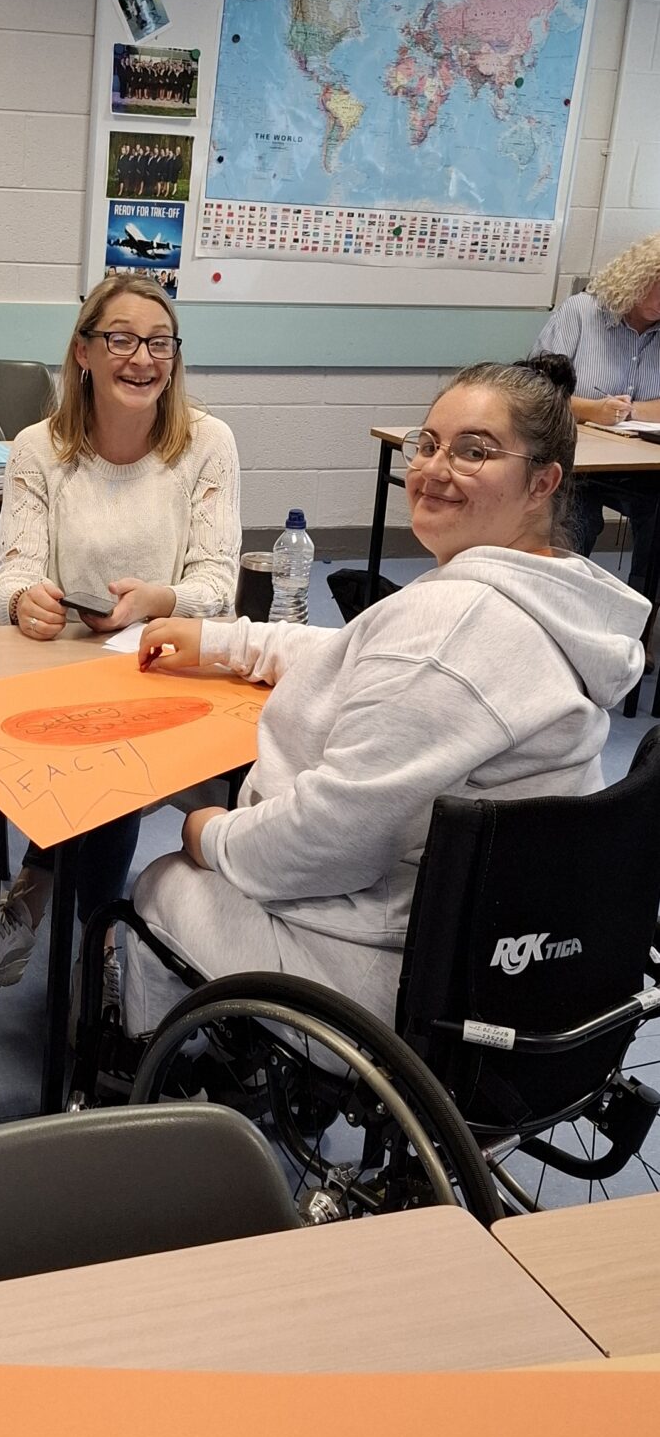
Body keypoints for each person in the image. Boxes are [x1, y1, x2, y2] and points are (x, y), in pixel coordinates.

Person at [124, 353, 647, 1042]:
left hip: (390, 976)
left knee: (162, 884)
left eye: (474, 451)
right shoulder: (546, 595)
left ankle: (165, 1086)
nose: (434, 469)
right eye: (427, 444)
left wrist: (209, 836)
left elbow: (323, 844)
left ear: (542, 483)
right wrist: (230, 641)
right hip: (510, 954)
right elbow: (365, 656)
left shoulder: (451, 631)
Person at [0, 273, 240, 997]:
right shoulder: (37, 449)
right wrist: (23, 603)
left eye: (159, 343)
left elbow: (218, 582)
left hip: (169, 668)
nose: (143, 359)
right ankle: (96, 946)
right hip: (65, 670)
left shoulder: (208, 443)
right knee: (103, 750)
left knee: (114, 756)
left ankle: (36, 904)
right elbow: (10, 576)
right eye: (121, 340)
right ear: (83, 353)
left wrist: (161, 599)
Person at [533, 238, 660, 590]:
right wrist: (593, 410)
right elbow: (536, 389)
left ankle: (643, 604)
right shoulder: (581, 313)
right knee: (578, 517)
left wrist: (628, 411)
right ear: (640, 279)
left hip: (641, 464)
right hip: (577, 460)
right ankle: (563, 595)